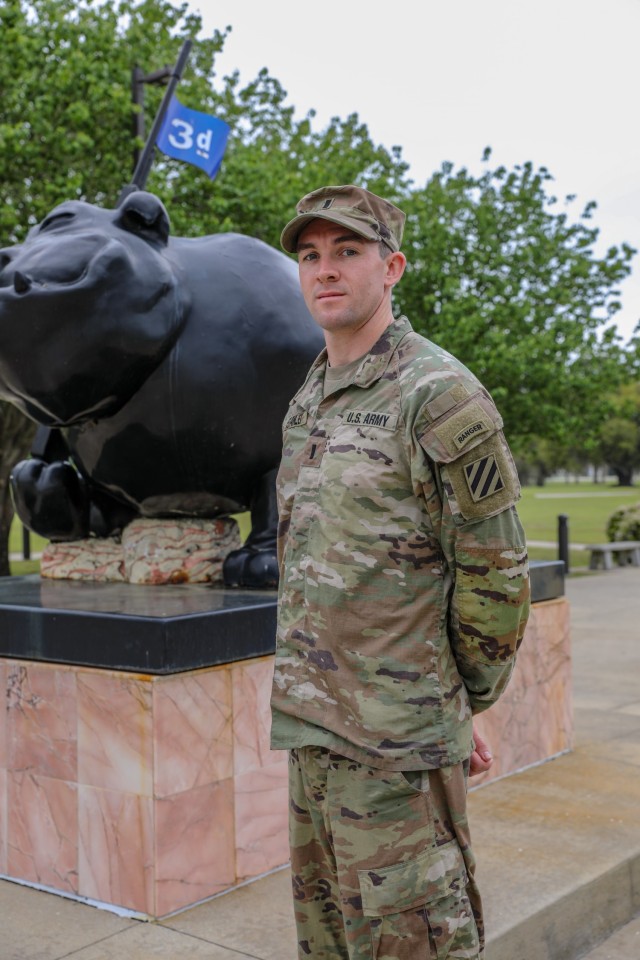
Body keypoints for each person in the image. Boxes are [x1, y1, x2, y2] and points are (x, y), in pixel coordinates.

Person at [271, 184, 530, 960]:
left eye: (348, 251)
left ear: (393, 269)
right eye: (311, 256)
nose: (326, 270)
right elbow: (303, 560)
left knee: (416, 943)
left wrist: (454, 704)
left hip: (394, 754)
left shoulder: (438, 396)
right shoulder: (308, 397)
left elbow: (496, 577)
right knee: (328, 946)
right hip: (313, 738)